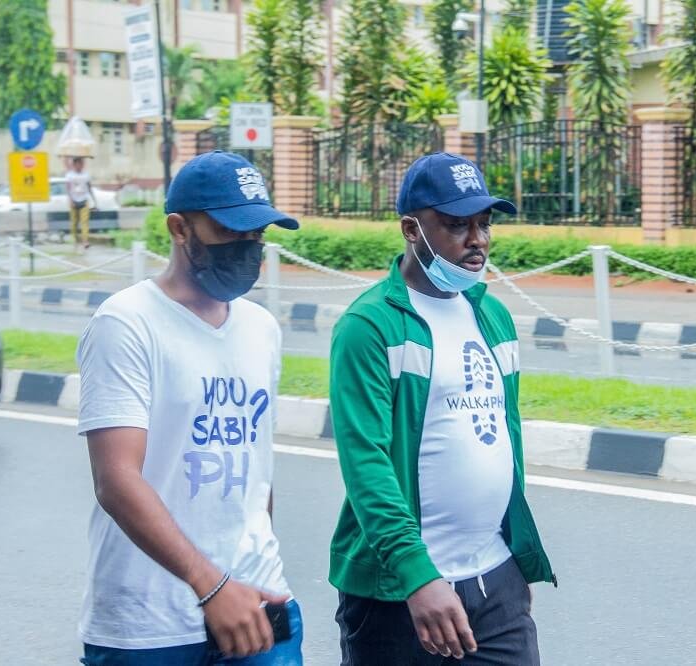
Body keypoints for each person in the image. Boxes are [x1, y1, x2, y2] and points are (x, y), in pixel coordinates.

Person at [76, 151, 303, 665]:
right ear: (179, 228)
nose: (247, 247)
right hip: (149, 624)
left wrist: (252, 568)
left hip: (258, 601)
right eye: (230, 232)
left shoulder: (261, 328)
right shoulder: (126, 323)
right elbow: (116, 480)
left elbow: (256, 469)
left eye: (256, 234)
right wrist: (211, 586)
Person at [329, 152, 556, 665]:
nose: (477, 240)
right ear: (412, 229)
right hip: (402, 592)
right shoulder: (369, 326)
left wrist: (514, 561)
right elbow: (366, 465)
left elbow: (506, 437)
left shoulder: (493, 316)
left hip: (496, 580)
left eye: (484, 223)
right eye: (457, 225)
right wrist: (417, 577)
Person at [66, 156, 95, 250]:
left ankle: (85, 241)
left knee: (84, 222)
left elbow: (89, 187)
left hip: (84, 200)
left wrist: (93, 199)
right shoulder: (70, 175)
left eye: (82, 163)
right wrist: (70, 200)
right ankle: (74, 240)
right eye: (78, 163)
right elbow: (68, 188)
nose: (80, 165)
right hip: (74, 200)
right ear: (74, 164)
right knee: (74, 222)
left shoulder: (86, 175)